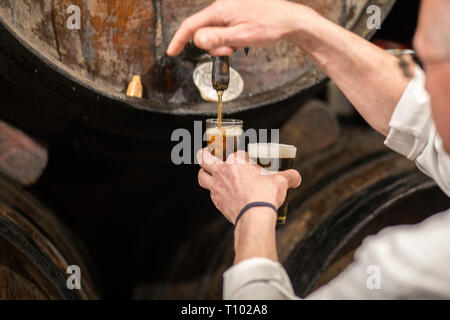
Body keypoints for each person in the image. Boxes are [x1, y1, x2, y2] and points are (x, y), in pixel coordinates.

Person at [167, 0, 450, 299]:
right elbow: (415, 114)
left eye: (426, 63)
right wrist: (301, 24)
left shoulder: (420, 266)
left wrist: (252, 211)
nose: (424, 84)